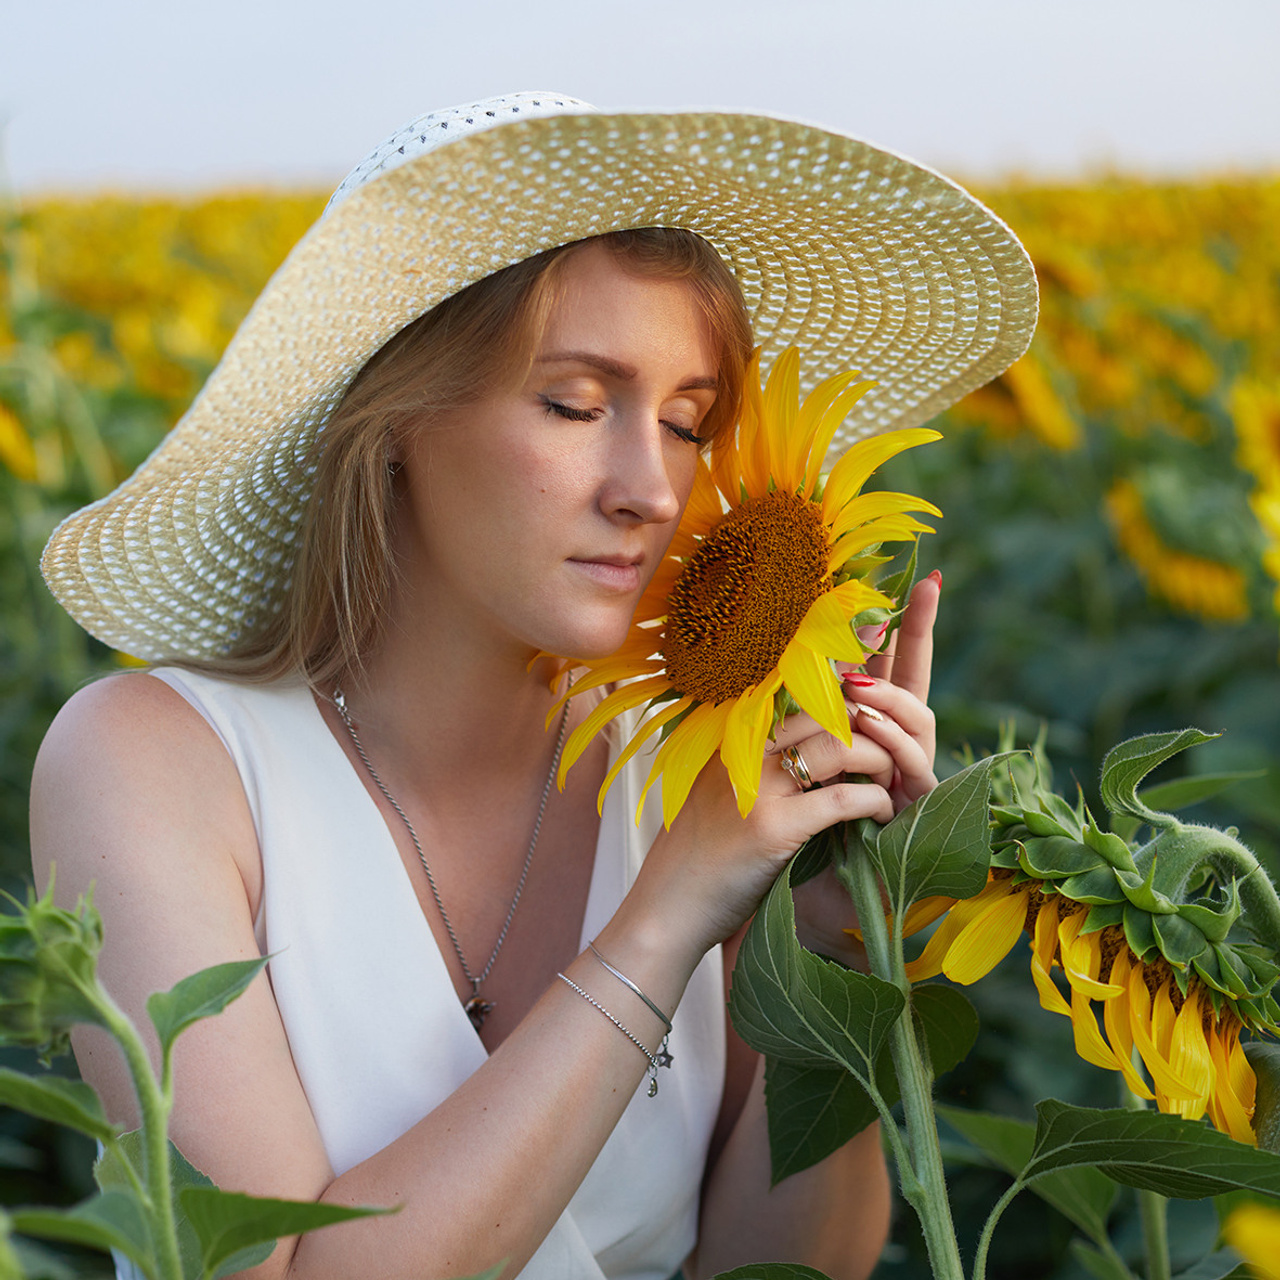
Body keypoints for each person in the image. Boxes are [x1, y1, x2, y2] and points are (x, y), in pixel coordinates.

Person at [30, 92, 1037, 1280]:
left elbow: (774, 1265)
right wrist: (661, 919)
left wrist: (841, 959)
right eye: (573, 403)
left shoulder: (688, 767)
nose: (651, 489)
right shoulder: (156, 763)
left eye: (687, 422)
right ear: (395, 411)